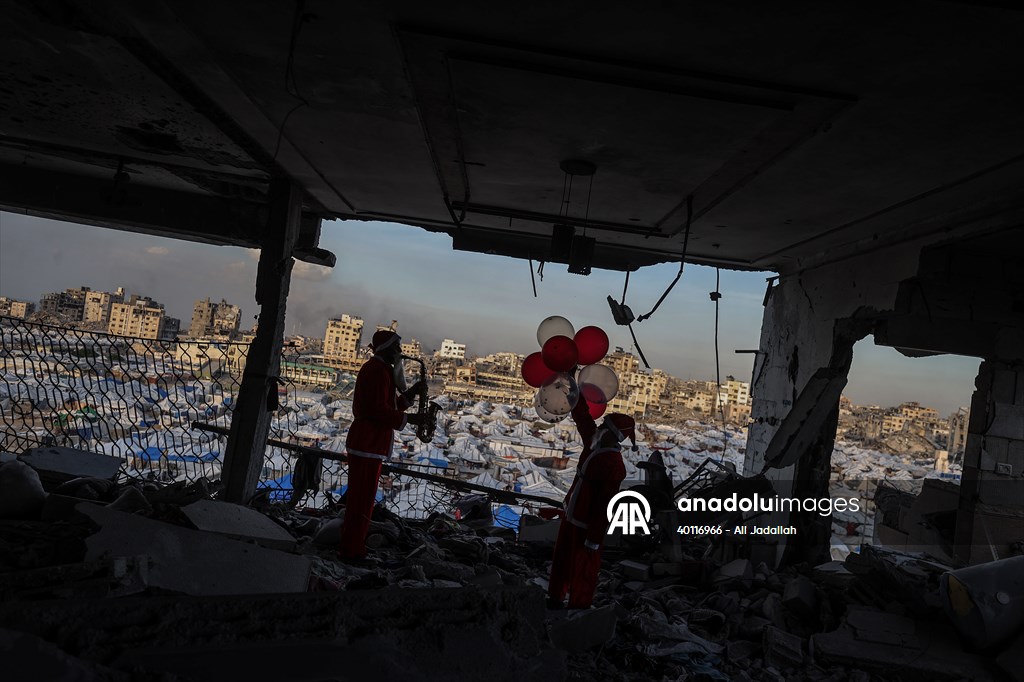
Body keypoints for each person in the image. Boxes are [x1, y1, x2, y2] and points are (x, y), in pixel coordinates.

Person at [339, 329, 426, 559]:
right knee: (361, 502)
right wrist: (412, 419)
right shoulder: (377, 370)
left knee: (362, 501)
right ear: (386, 349)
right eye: (396, 347)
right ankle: (352, 550)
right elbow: (377, 409)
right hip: (367, 444)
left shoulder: (381, 370)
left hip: (369, 444)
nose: (400, 351)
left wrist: (410, 394)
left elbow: (388, 406)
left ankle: (354, 545)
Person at [547, 399, 634, 609]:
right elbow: (584, 420)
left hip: (586, 524)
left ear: (612, 435)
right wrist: (574, 396)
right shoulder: (593, 444)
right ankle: (555, 597)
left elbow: (605, 506)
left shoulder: (614, 466)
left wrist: (594, 538)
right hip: (572, 513)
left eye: (604, 426)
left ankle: (579, 605)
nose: (599, 428)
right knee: (562, 558)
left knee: (584, 567)